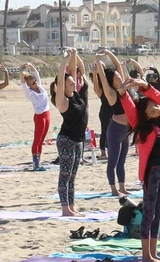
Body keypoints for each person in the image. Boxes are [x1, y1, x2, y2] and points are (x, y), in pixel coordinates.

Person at [118, 71, 160, 262]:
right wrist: (122, 93)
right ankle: (146, 258)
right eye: (151, 109)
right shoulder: (144, 128)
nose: (156, 109)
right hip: (152, 173)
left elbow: (159, 98)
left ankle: (153, 253)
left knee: (158, 214)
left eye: (155, 106)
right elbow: (130, 110)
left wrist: (144, 86)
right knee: (149, 214)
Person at [52, 50, 89, 216]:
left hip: (78, 140)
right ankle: (65, 209)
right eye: (71, 83)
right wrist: (63, 62)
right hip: (66, 140)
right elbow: (61, 83)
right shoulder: (62, 100)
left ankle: (71, 207)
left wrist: (73, 56)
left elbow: (73, 73)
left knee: (72, 177)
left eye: (74, 82)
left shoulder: (75, 94)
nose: (74, 84)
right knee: (65, 175)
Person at [93, 53, 131, 195]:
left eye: (119, 76)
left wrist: (109, 53)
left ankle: (122, 187)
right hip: (115, 131)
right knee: (113, 162)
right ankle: (114, 189)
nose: (119, 77)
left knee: (122, 162)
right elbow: (103, 78)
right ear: (111, 81)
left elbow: (118, 66)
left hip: (126, 131)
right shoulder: (111, 93)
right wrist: (97, 62)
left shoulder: (124, 88)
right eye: (115, 77)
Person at [19, 66, 51, 171]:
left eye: (35, 81)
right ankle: (35, 162)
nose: (36, 83)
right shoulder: (29, 93)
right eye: (33, 83)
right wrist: (21, 70)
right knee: (37, 140)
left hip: (47, 114)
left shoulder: (40, 87)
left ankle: (39, 160)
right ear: (29, 85)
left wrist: (30, 65)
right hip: (39, 116)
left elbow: (36, 73)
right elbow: (23, 83)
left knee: (42, 140)